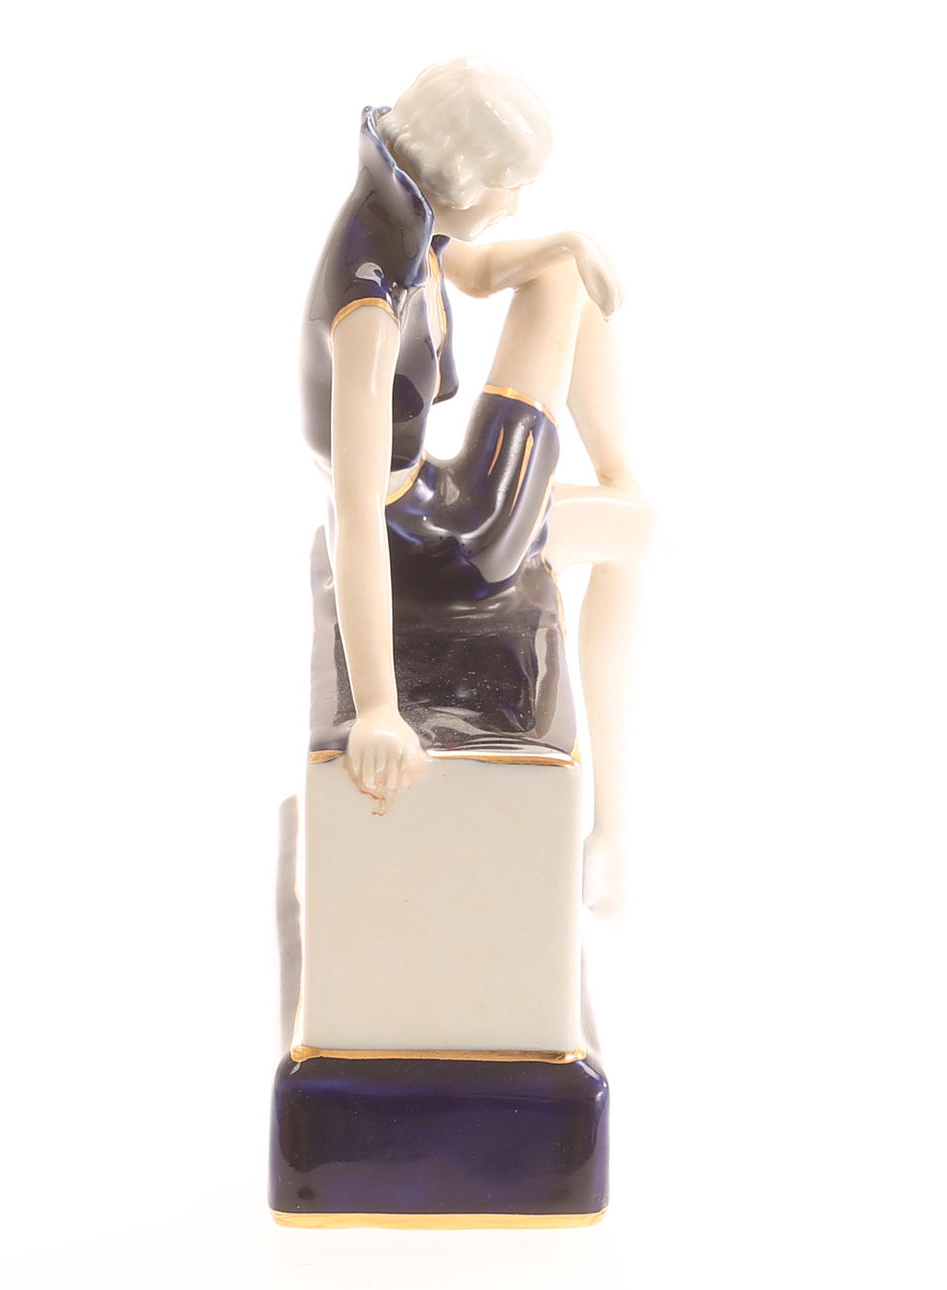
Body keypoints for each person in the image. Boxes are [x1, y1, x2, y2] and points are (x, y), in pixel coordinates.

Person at [302, 58, 654, 901]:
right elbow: (355, 513)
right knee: (637, 535)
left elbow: (483, 271)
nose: (516, 205)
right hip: (436, 549)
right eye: (510, 186)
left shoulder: (398, 219)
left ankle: (623, 486)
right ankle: (617, 828)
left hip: (427, 508)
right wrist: (379, 709)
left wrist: (566, 243)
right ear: (461, 175)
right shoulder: (369, 307)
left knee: (562, 274)